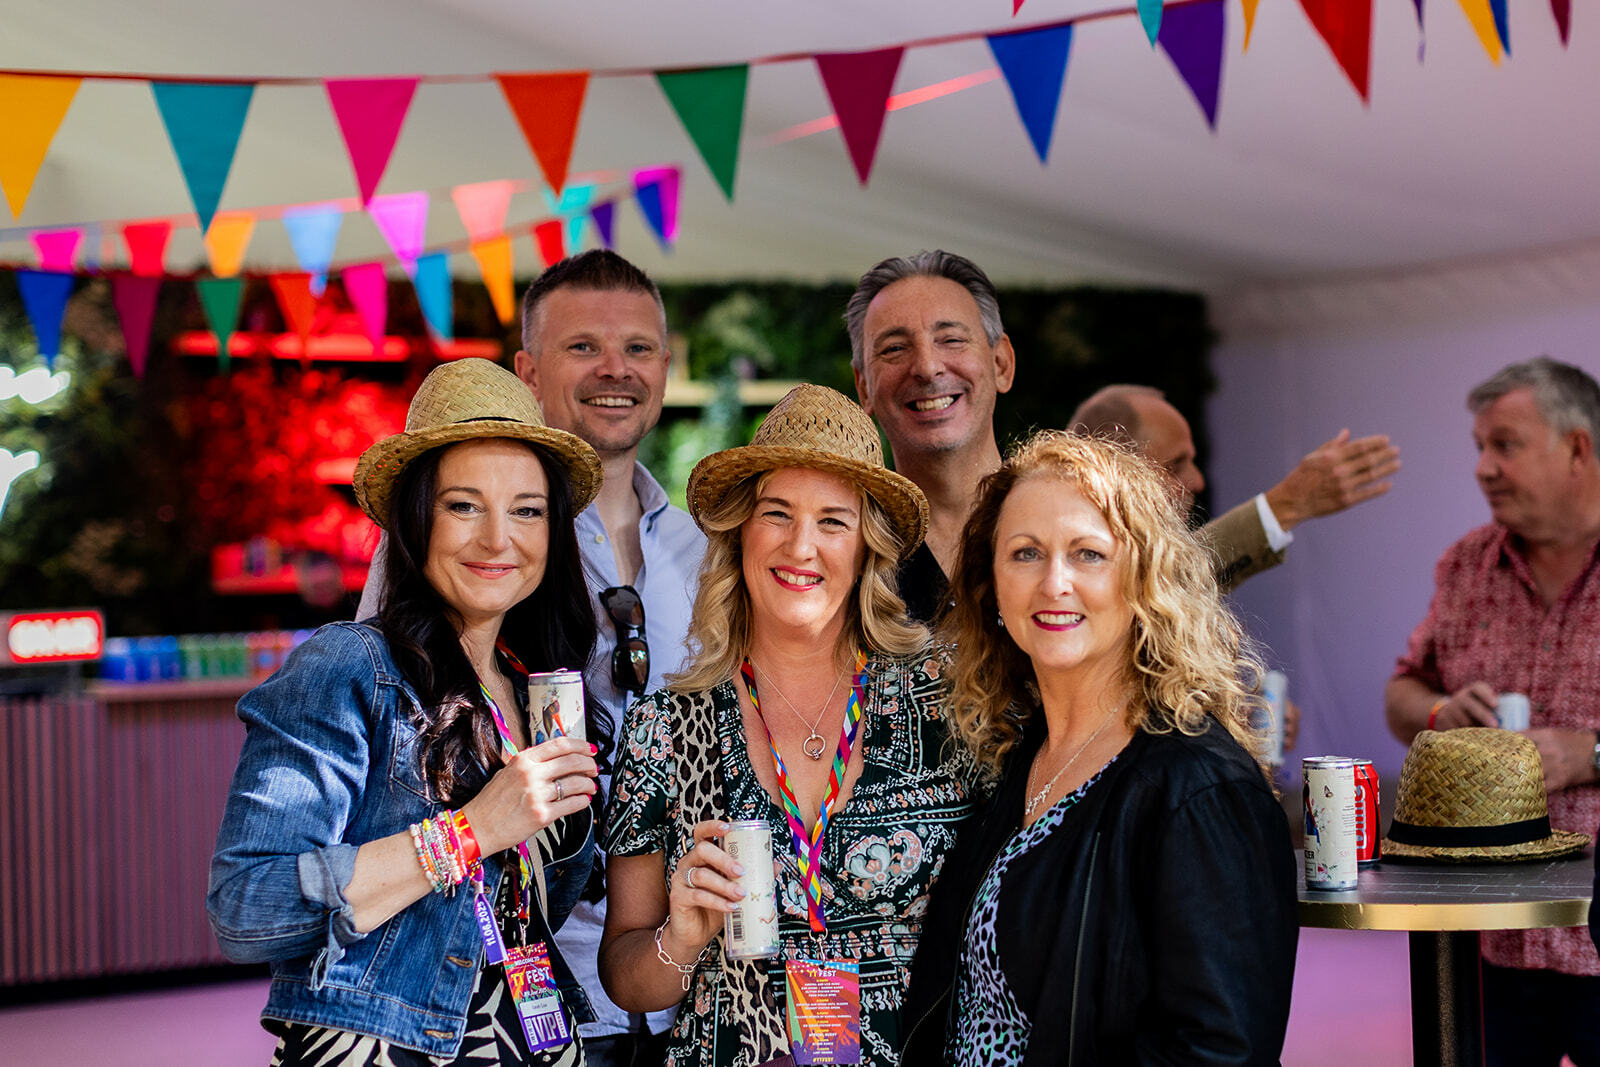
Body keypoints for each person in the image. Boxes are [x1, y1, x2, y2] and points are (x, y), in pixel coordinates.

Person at [359, 250, 706, 1066]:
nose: (615, 369)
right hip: (509, 984)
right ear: (528, 370)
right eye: (583, 346)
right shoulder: (467, 546)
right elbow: (386, 737)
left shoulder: (706, 550)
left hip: (683, 978)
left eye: (640, 348)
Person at [209, 358, 606, 1064]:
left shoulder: (541, 691)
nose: (497, 538)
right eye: (463, 505)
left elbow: (529, 912)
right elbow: (247, 907)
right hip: (389, 1047)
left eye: (526, 509)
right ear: (416, 518)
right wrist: (472, 830)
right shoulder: (352, 667)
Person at [597, 384, 977, 1067]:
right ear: (741, 529)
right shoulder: (665, 725)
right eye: (777, 512)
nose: (802, 545)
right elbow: (626, 978)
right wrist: (680, 936)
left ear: (868, 545)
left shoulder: (947, 706)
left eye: (833, 520)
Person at [903, 429, 1298, 1065]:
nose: (1054, 582)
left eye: (1088, 554)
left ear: (1143, 581)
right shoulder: (1015, 757)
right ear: (992, 586)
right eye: (1025, 553)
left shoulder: (1199, 789)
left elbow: (1222, 1051)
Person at [844, 250, 1397, 620]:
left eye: (951, 339)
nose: (926, 366)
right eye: (894, 348)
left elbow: (1168, 582)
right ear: (864, 387)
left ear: (1002, 364)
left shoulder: (1075, 503)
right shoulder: (840, 542)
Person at [1384, 356, 1600, 1067]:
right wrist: (1442, 711)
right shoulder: (1466, 563)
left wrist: (1590, 753)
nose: (1482, 467)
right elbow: (1402, 693)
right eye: (1479, 446)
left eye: (1504, 444)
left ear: (1578, 447)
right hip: (1487, 938)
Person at [1070, 383, 1400, 590]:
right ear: (1112, 471)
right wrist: (1286, 503)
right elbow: (1168, 583)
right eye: (1175, 465)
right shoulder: (1074, 567)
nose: (1197, 481)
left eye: (1192, 461)